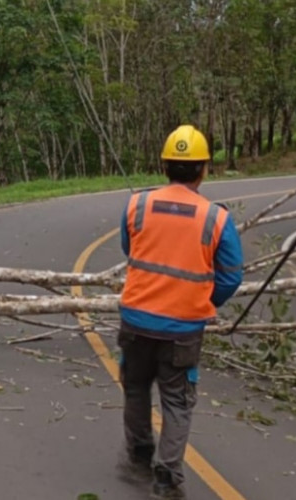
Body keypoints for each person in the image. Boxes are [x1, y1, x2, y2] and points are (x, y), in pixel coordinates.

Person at [117, 125, 243, 498]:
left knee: (136, 387)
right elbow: (232, 276)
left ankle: (140, 454)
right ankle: (167, 477)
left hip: (136, 320)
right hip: (183, 329)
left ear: (165, 166)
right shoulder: (216, 218)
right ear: (204, 169)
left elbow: (131, 250)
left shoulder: (137, 204)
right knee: (176, 400)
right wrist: (204, 301)